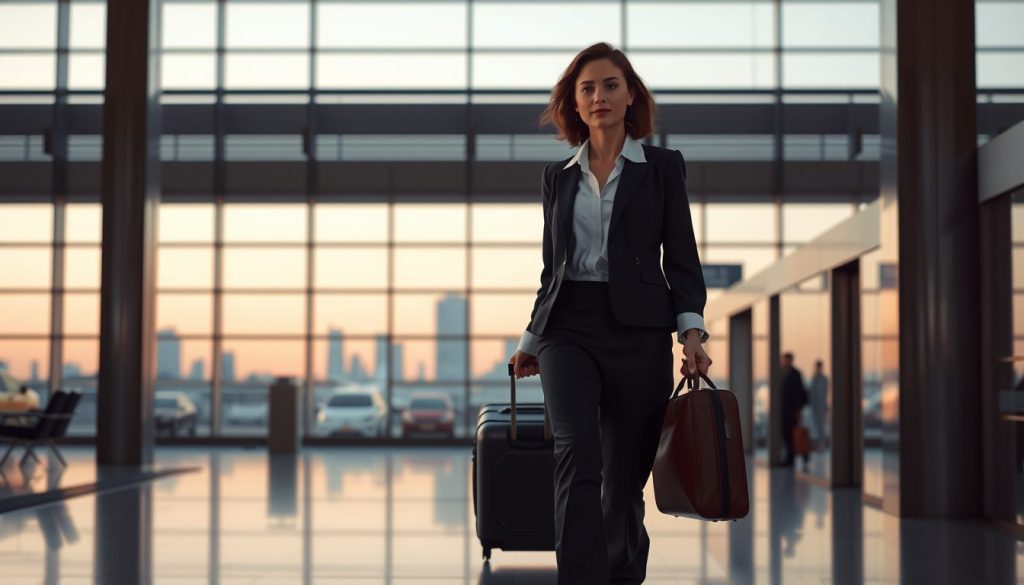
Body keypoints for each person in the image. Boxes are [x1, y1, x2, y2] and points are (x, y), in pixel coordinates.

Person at [508, 42, 711, 585]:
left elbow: (683, 257)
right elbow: (553, 270)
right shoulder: (558, 177)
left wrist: (690, 332)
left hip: (640, 331)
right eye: (587, 88)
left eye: (610, 85)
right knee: (577, 458)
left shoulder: (663, 168)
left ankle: (621, 576)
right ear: (574, 104)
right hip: (568, 327)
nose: (599, 96)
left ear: (630, 96)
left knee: (623, 481)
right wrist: (531, 338)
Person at [780, 352, 808, 467]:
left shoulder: (795, 374)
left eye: (787, 360)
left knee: (793, 434)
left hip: (792, 411)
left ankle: (797, 456)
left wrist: (798, 410)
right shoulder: (783, 373)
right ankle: (790, 457)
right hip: (785, 410)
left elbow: (798, 393)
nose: (785, 362)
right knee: (787, 434)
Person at [807, 360, 829, 451]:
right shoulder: (814, 378)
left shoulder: (823, 379)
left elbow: (822, 393)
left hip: (820, 406)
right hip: (815, 406)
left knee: (820, 426)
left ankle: (822, 444)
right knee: (816, 426)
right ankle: (818, 444)